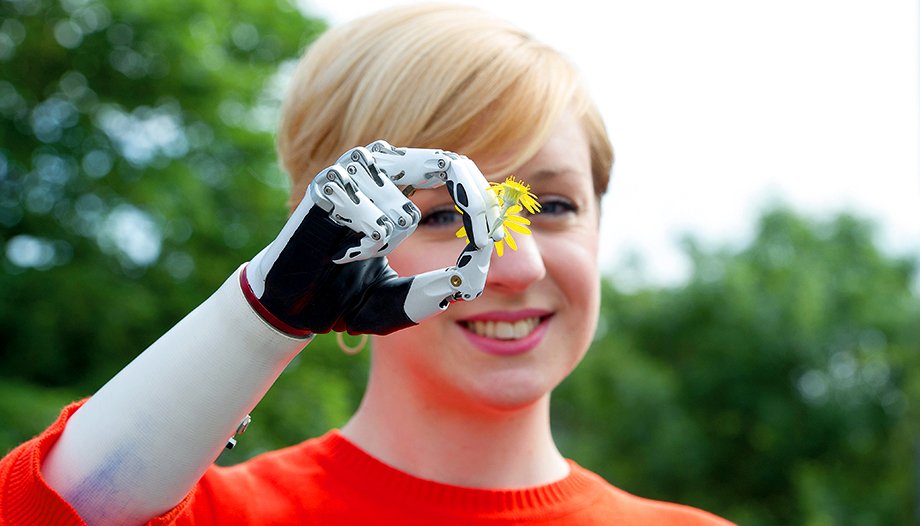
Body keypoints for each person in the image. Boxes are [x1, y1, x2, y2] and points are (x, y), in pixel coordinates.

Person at [0, 4, 733, 525]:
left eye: (555, 205)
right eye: (443, 214)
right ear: (325, 235)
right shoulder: (218, 515)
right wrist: (262, 315)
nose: (517, 265)